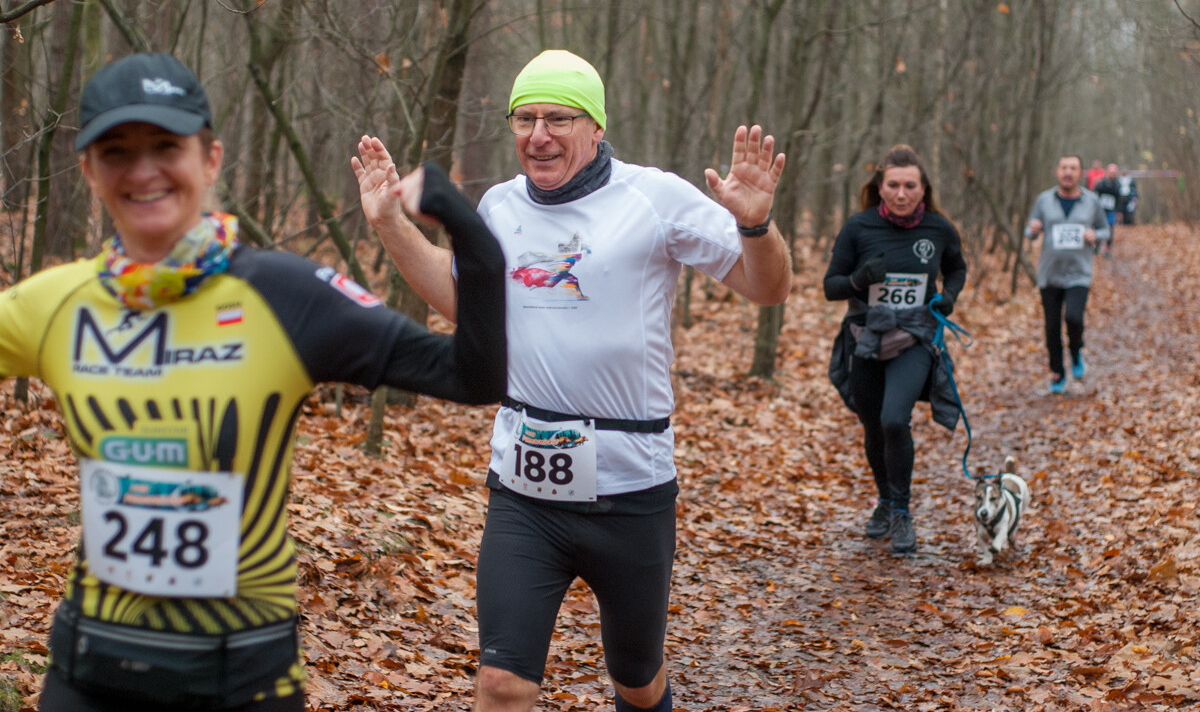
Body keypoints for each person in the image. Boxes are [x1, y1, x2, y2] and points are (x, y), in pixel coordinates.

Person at [1, 53, 507, 712]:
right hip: (88, 673)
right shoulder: (56, 303)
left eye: (166, 147)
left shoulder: (286, 295)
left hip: (243, 679)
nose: (143, 170)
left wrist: (470, 234)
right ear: (89, 171)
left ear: (210, 159)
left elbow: (475, 375)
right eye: (117, 152)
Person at [353, 49, 792, 712]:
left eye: (558, 118)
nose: (539, 135)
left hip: (631, 490)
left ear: (595, 126)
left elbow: (769, 287)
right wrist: (389, 222)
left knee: (638, 682)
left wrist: (755, 224)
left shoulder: (654, 197)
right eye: (524, 118)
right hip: (524, 490)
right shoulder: (499, 205)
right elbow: (464, 301)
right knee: (501, 682)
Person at [824, 144, 967, 555]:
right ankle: (885, 501)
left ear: (923, 189)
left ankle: (902, 512)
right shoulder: (858, 227)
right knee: (872, 425)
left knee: (893, 420)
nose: (901, 194)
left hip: (916, 338)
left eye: (910, 186)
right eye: (893, 185)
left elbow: (956, 267)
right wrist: (858, 280)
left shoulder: (938, 229)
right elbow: (830, 286)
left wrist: (949, 296)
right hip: (866, 339)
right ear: (880, 187)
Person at [1024, 154, 1110, 395]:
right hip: (1049, 274)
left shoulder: (1091, 201)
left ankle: (1075, 350)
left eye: (1073, 168)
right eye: (1064, 168)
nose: (1068, 172)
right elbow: (1029, 230)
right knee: (1052, 328)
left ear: (1081, 173)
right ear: (1057, 172)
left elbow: (1105, 229)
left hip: (1079, 273)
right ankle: (1058, 373)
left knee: (1073, 317)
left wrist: (1095, 235)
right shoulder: (1044, 200)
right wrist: (1032, 229)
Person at [1092, 163, 1120, 257]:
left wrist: (1118, 211)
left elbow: (1119, 198)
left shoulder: (1117, 184)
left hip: (1111, 210)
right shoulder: (1101, 182)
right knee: (1098, 227)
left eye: (1114, 173)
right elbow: (1096, 194)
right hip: (1101, 210)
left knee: (1110, 229)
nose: (1113, 174)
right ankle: (1097, 246)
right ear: (1107, 172)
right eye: (1111, 172)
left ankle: (1108, 249)